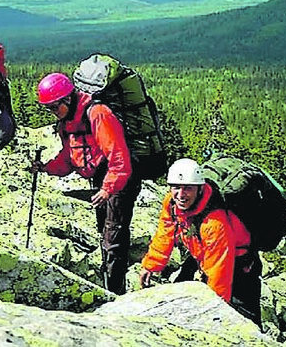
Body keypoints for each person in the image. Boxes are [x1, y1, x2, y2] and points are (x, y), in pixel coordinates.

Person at [33, 72, 140, 294]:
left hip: (120, 178)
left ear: (67, 99)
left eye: (54, 107)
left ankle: (115, 291)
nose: (53, 113)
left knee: (114, 234)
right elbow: (69, 158)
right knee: (104, 231)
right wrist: (45, 168)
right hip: (102, 177)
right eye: (49, 109)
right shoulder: (68, 122)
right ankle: (109, 277)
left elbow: (119, 158)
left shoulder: (98, 114)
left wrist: (107, 189)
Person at [139, 158, 261, 325]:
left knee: (245, 321)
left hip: (240, 265)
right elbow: (165, 233)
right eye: (176, 188)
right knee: (178, 298)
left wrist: (214, 313)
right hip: (202, 255)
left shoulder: (214, 223)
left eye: (188, 188)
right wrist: (150, 266)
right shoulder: (172, 203)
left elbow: (219, 274)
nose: (181, 195)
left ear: (200, 188)